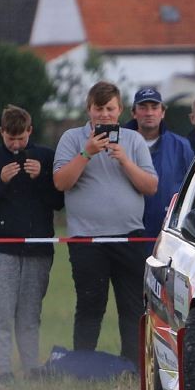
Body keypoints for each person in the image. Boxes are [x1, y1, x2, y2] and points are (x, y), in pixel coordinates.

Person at [53, 80, 158, 367]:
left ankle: (134, 366)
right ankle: (84, 366)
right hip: (87, 240)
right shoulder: (72, 139)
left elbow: (150, 186)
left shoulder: (134, 141)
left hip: (129, 237)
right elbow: (61, 182)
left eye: (110, 109)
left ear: (120, 110)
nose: (104, 116)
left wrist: (125, 160)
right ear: (89, 109)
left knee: (132, 306)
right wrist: (87, 153)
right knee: (90, 304)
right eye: (99, 109)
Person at [0, 104, 64, 383]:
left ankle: (32, 369)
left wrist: (40, 179)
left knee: (30, 314)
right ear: (1, 133)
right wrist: (0, 181)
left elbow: (59, 202)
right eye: (11, 139)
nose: (16, 144)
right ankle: (4, 371)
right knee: (1, 314)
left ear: (30, 131)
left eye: (21, 138)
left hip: (38, 249)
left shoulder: (46, 158)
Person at [123, 87, 195, 236]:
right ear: (134, 113)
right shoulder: (119, 145)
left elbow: (193, 189)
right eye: (143, 108)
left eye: (154, 107)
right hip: (126, 231)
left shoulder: (181, 146)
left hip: (167, 232)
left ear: (162, 112)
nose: (149, 113)